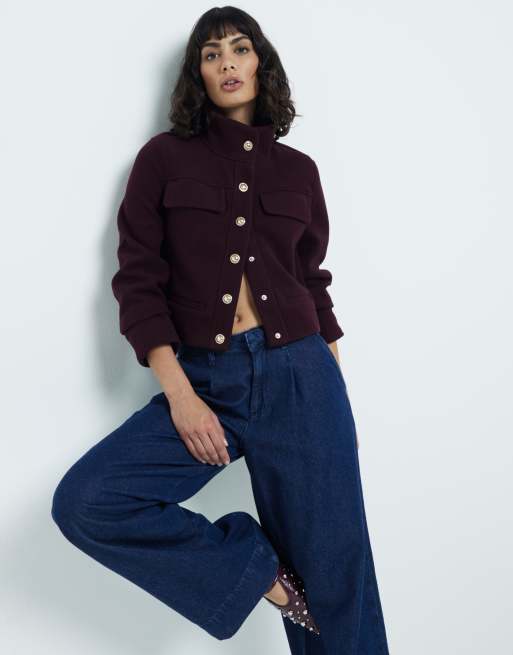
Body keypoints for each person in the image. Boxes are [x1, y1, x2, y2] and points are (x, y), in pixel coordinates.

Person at [51, 6, 390, 653]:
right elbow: (138, 280)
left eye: (239, 49)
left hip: (303, 378)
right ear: (197, 74)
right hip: (207, 378)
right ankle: (260, 573)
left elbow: (312, 281)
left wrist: (330, 394)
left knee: (338, 576)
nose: (227, 63)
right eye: (212, 54)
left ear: (261, 64)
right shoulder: (162, 160)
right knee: (90, 500)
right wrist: (181, 395)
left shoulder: (299, 171)